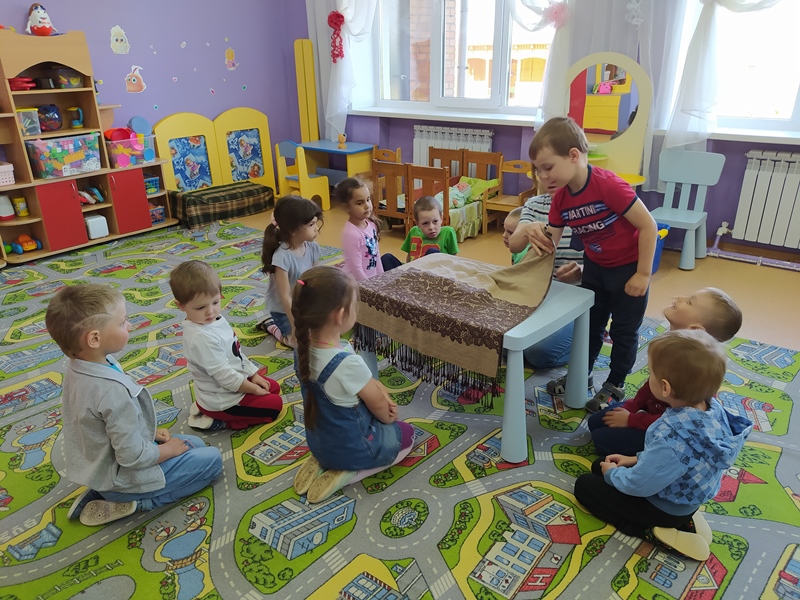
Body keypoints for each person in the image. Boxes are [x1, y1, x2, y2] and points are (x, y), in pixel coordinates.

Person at [510, 116, 658, 411]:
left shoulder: (608, 185)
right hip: (595, 268)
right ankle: (581, 374)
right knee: (590, 326)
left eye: (548, 167)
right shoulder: (560, 200)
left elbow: (648, 226)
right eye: (538, 170)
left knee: (623, 332)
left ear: (574, 155)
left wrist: (643, 273)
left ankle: (615, 383)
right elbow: (551, 242)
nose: (542, 177)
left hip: (628, 268)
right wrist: (531, 235)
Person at [45, 284, 222, 527]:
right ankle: (136, 502)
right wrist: (168, 451)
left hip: (103, 467)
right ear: (94, 338)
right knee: (212, 461)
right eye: (122, 322)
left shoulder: (81, 366)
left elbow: (102, 425)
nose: (129, 325)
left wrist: (148, 433)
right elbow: (132, 456)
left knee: (195, 444)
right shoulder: (111, 390)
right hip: (125, 474)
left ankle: (100, 492)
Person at [574, 329, 752, 561]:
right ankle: (683, 518)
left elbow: (639, 484)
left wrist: (613, 475)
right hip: (685, 496)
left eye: (650, 373)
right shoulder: (713, 410)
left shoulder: (672, 435)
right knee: (600, 465)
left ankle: (649, 531)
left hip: (662, 507)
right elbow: (673, 461)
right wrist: (634, 459)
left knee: (586, 485)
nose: (648, 377)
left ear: (665, 388)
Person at [291, 266, 415, 503]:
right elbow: (378, 406)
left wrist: (378, 390)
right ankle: (351, 473)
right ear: (340, 315)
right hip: (354, 449)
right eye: (355, 304)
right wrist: (390, 418)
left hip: (319, 443)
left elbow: (366, 384)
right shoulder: (347, 364)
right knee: (407, 435)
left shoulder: (301, 350)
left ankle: (324, 460)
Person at [589, 288, 742, 456]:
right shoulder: (672, 345)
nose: (679, 297)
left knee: (600, 439)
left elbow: (672, 421)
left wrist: (632, 420)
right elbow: (650, 387)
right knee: (595, 422)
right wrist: (632, 407)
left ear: (695, 329)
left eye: (689, 301)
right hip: (654, 411)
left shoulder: (691, 368)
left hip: (670, 429)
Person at [170, 260, 283, 431]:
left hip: (230, 385)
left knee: (273, 388)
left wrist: (253, 375)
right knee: (275, 406)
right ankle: (218, 420)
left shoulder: (214, 320)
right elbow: (225, 377)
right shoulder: (201, 338)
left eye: (215, 302)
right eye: (200, 307)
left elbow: (236, 353)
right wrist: (252, 389)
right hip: (223, 401)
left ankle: (204, 406)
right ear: (181, 305)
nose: (211, 311)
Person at [512, 185, 584, 369]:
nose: (546, 177)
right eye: (540, 172)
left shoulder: (591, 207)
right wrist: (527, 229)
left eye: (551, 170)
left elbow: (611, 259)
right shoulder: (534, 204)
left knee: (538, 352)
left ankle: (589, 339)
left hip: (579, 294)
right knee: (501, 338)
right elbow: (514, 244)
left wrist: (584, 270)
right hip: (541, 290)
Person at [259, 195, 322, 348]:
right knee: (300, 344)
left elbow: (314, 280)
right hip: (284, 311)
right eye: (311, 224)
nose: (316, 228)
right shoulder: (282, 257)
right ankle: (271, 326)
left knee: (328, 331)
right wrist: (295, 325)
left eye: (316, 223)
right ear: (293, 230)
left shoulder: (313, 247)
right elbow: (285, 296)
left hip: (303, 305)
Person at [334, 177, 401, 280]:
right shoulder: (351, 234)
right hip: (357, 283)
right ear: (347, 207)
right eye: (360, 203)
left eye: (368, 199)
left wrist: (381, 278)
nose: (367, 206)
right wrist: (369, 286)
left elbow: (376, 255)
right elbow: (356, 269)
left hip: (370, 280)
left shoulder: (371, 224)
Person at [400, 195, 459, 261]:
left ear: (441, 218)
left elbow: (454, 258)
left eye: (435, 221)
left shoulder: (448, 232)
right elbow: (409, 255)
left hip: (435, 266)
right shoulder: (413, 231)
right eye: (425, 223)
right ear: (417, 223)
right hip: (414, 267)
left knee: (432, 252)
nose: (431, 227)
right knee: (390, 258)